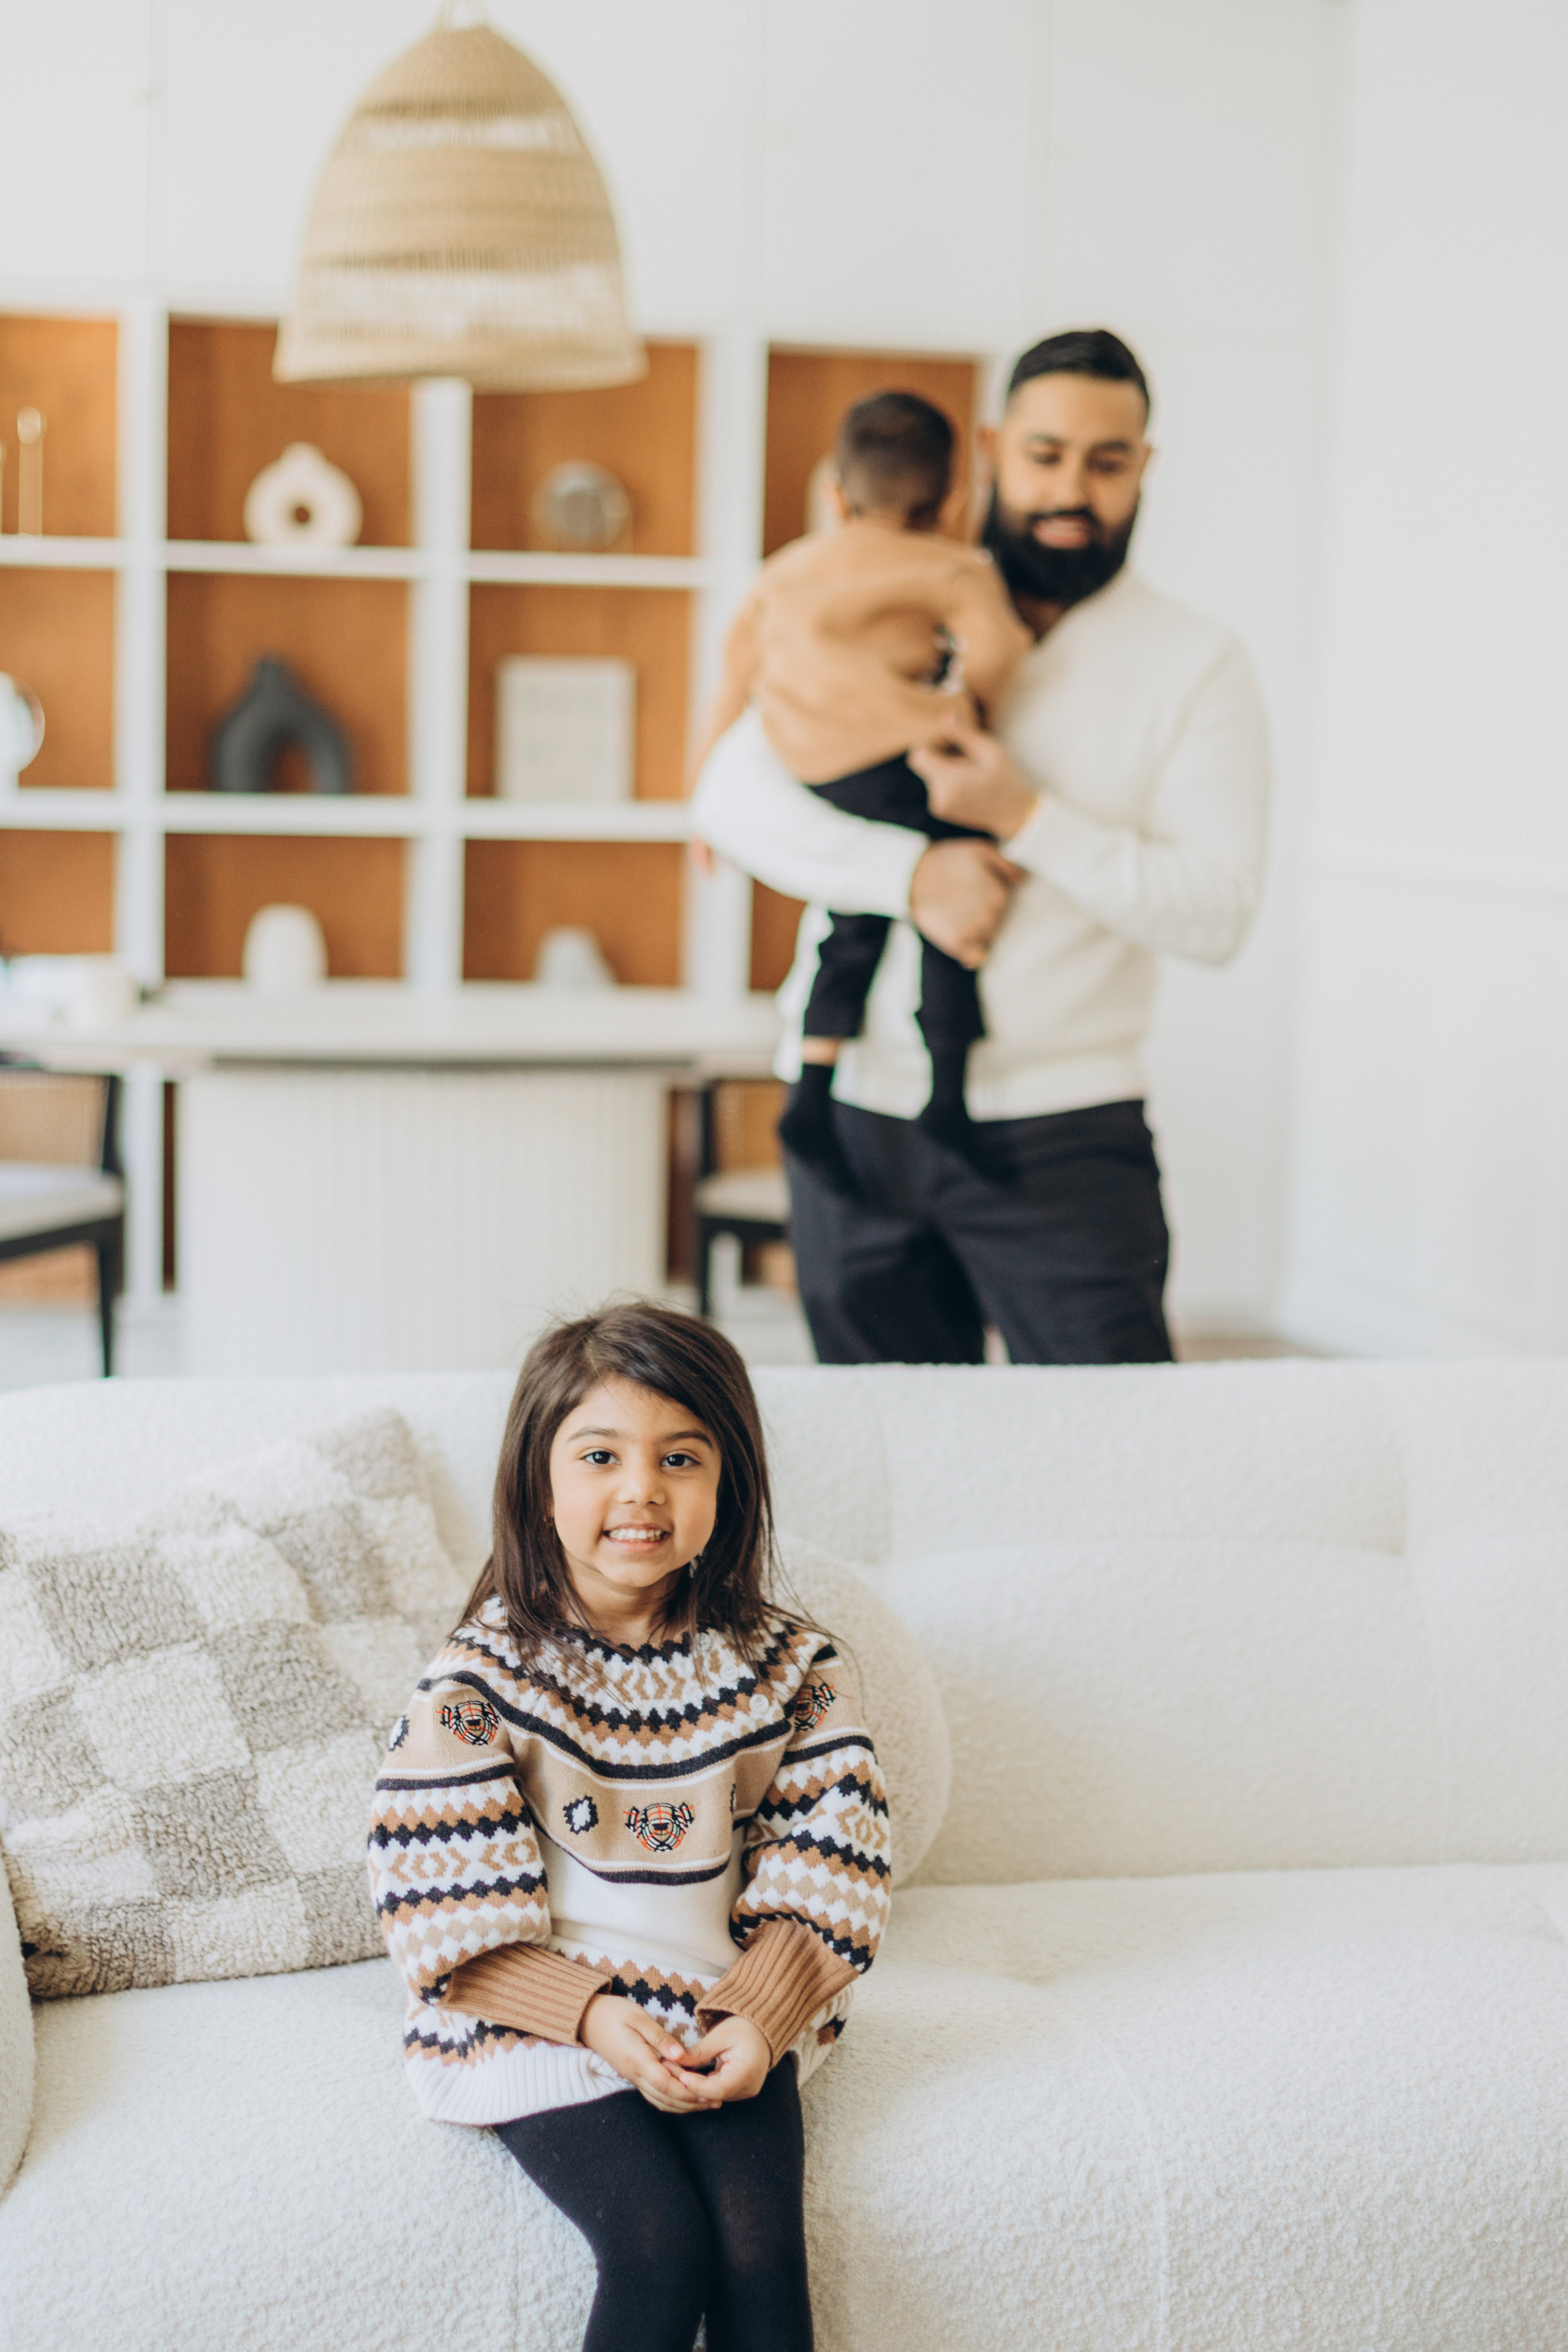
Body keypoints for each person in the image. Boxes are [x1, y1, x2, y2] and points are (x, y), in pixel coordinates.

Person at [692, 328, 1270, 1370]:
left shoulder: (1198, 664)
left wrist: (1026, 818)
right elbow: (728, 795)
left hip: (1066, 1133)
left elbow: (1216, 912)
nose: (1072, 491)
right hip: (852, 1116)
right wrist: (913, 876)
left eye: (1107, 462)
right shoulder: (873, 595)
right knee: (886, 1455)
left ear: (1145, 466)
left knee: (1118, 1449)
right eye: (1046, 456)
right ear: (995, 450)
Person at [369, 1301, 889, 2352]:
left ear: (729, 1485)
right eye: (601, 1456)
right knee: (658, 2247)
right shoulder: (480, 1681)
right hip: (540, 2019)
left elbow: (835, 1857)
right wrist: (593, 2016)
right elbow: (437, 1897)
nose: (642, 1488)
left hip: (723, 2009)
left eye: (681, 1459)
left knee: (762, 2258)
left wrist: (760, 2019)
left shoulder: (792, 1670)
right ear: (540, 1484)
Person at [696, 390, 1030, 1185]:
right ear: (954, 499)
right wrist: (974, 711)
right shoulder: (953, 565)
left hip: (816, 771)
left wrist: (701, 810)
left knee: (856, 909)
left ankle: (811, 1088)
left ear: (835, 494)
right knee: (954, 897)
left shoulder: (782, 574)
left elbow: (730, 681)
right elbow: (1000, 650)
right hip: (903, 763)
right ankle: (947, 1093)